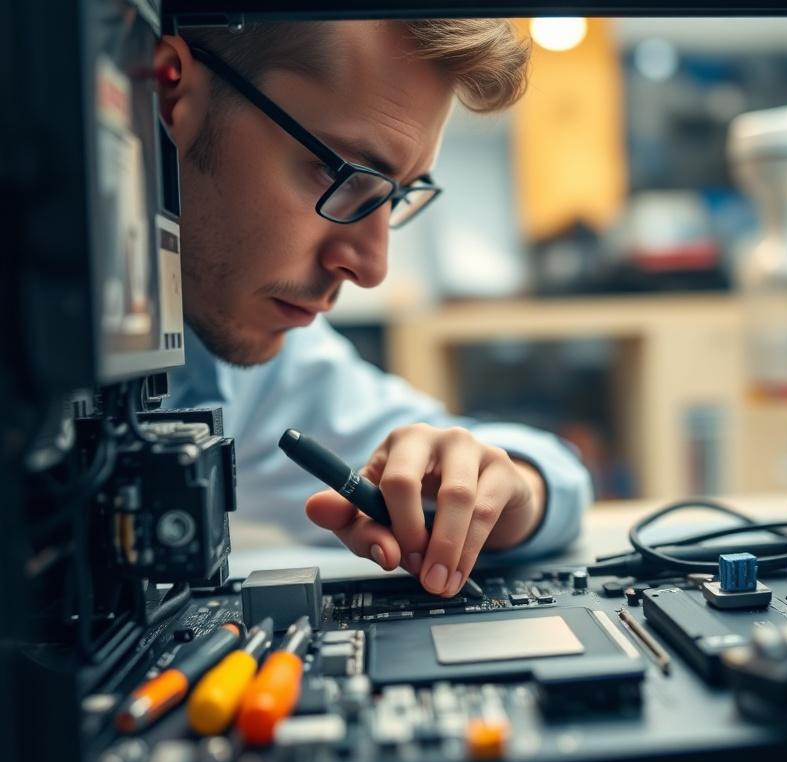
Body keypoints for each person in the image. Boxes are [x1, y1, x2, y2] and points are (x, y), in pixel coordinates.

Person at [154, 19, 592, 598]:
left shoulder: (238, 357)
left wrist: (505, 489)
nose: (370, 267)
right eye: (340, 174)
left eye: (398, 195)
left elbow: (547, 472)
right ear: (168, 89)